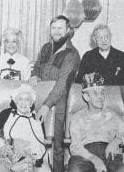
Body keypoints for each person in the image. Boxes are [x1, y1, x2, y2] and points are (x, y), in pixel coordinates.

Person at [29, 15, 80, 172]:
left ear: (68, 30)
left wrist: (46, 106)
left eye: (60, 28)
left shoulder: (72, 53)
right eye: (53, 28)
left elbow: (62, 84)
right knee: (35, 141)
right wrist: (34, 75)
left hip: (58, 105)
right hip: (38, 100)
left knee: (57, 147)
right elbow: (37, 66)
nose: (56, 31)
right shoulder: (45, 48)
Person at [68, 72, 124, 172]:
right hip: (84, 157)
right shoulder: (77, 117)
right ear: (86, 97)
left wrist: (118, 140)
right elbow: (75, 147)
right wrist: (94, 159)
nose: (100, 97)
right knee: (76, 169)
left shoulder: (112, 115)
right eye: (95, 93)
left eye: (102, 92)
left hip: (109, 156)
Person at [0, 84, 51, 172]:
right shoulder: (6, 114)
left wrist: (27, 154)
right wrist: (3, 148)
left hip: (29, 158)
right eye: (20, 99)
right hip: (5, 157)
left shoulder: (37, 119)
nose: (23, 103)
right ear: (15, 101)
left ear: (31, 103)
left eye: (27, 99)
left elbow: (40, 145)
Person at [76, 24, 124, 115]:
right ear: (94, 40)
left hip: (117, 107)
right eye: (100, 38)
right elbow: (79, 84)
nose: (104, 40)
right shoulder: (88, 56)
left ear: (111, 37)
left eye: (106, 37)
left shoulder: (121, 57)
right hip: (94, 107)